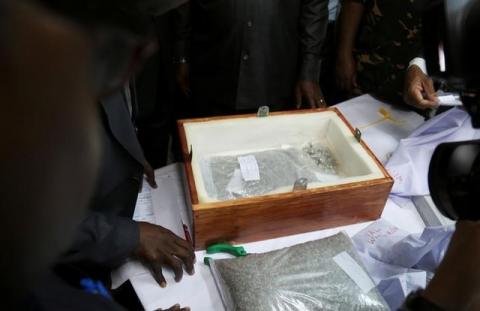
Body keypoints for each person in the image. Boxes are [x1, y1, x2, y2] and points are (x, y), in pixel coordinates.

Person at [173, 0, 329, 117]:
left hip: (272, 71)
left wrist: (309, 69)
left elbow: (314, 7)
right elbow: (184, 4)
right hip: (213, 65)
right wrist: (181, 55)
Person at [335, 0, 424, 104]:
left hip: (411, 72)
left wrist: (419, 65)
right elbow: (354, 2)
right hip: (368, 60)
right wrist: (344, 54)